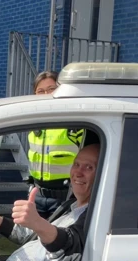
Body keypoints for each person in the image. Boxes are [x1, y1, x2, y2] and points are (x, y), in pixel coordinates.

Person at [28, 71, 84, 216]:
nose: (46, 94)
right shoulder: (33, 123)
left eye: (51, 89)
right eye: (40, 91)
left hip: (64, 199)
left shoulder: (74, 123)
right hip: (37, 197)